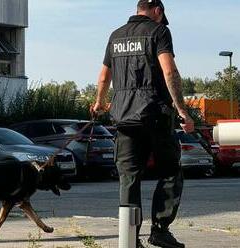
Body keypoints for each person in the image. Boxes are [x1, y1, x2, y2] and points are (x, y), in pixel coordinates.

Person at [93, 1, 194, 247]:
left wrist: (98, 103)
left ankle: (130, 238)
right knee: (170, 171)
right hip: (155, 115)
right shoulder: (159, 31)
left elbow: (104, 76)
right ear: (158, 11)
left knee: (129, 178)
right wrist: (182, 110)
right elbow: (169, 72)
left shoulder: (115, 36)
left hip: (124, 117)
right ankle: (160, 229)